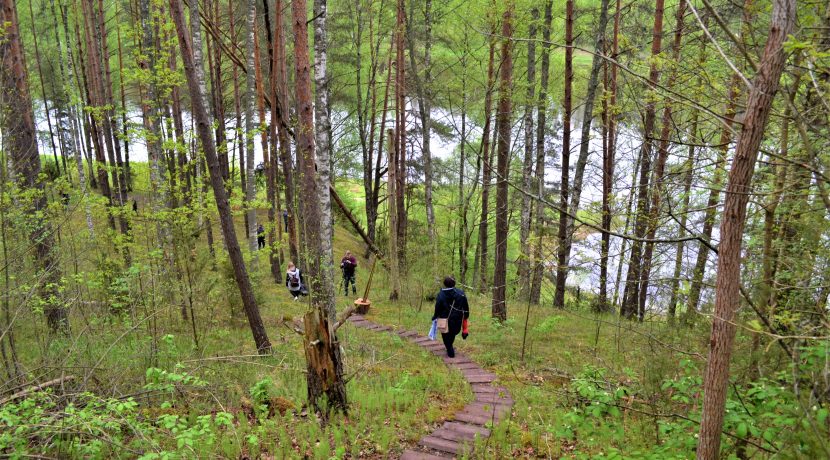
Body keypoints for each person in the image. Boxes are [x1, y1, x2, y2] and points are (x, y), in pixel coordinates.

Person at [432, 276, 470, 358]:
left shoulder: (441, 294)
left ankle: (449, 349)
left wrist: (435, 316)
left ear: (444, 284)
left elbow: (437, 306)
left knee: (445, 334)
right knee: (452, 333)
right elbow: (465, 306)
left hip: (443, 318)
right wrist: (466, 316)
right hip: (457, 318)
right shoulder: (461, 293)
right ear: (454, 283)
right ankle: (450, 348)